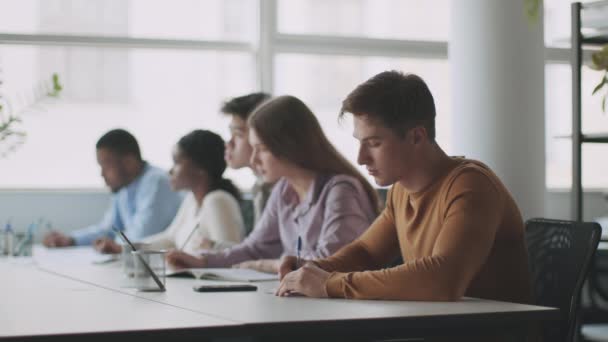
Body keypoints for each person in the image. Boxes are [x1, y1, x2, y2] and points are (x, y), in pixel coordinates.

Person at [276, 71, 532, 305]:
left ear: (417, 137)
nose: (361, 158)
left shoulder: (471, 185)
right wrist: (311, 269)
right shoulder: (401, 190)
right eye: (360, 143)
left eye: (374, 143)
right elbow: (366, 252)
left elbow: (443, 279)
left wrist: (330, 284)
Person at [166, 95, 380, 274]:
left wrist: (263, 265)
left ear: (288, 146)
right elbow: (255, 248)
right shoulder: (284, 189)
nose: (253, 160)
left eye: (262, 149)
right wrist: (202, 261)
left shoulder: (340, 190)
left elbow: (330, 263)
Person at [97, 130, 246, 254]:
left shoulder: (217, 200)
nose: (170, 170)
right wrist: (125, 248)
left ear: (200, 168)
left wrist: (207, 251)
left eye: (177, 162)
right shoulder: (191, 200)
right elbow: (169, 238)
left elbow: (232, 256)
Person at [43, 129, 182, 253]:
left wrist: (112, 244)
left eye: (106, 166)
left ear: (128, 162)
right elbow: (108, 229)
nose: (102, 174)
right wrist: (71, 240)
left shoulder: (157, 182)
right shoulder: (123, 187)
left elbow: (142, 235)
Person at [221, 92, 274, 227]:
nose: (229, 143)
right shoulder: (260, 186)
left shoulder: (280, 189)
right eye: (230, 134)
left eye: (238, 134)